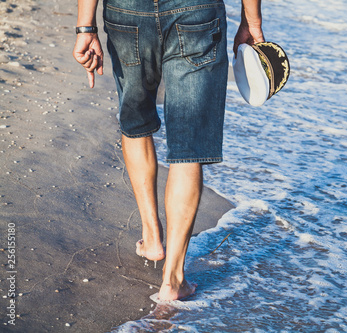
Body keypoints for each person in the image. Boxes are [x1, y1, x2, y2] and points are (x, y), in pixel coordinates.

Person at [73, 0, 264, 301]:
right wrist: (251, 22)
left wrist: (86, 27)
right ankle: (173, 278)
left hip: (127, 12)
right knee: (189, 143)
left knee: (135, 122)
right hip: (196, 11)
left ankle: (151, 237)